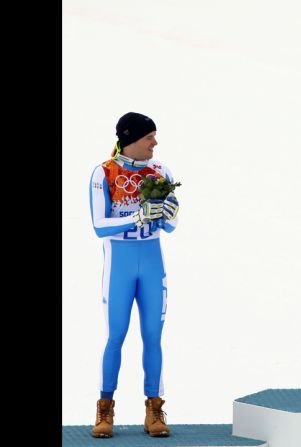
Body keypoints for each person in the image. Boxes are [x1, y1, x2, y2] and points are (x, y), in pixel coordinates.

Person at [88, 112, 180, 438]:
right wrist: (137, 217)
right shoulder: (104, 173)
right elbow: (99, 225)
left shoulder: (161, 170)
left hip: (152, 261)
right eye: (149, 137)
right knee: (116, 335)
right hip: (120, 265)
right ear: (131, 140)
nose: (155, 142)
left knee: (153, 336)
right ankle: (104, 408)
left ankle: (154, 409)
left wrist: (170, 212)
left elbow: (170, 225)